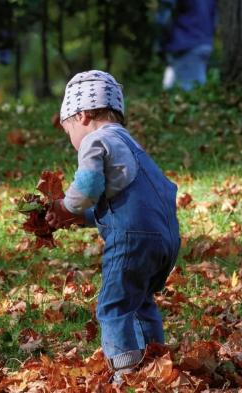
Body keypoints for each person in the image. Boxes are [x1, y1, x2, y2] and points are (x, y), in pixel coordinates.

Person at [46, 71, 180, 385]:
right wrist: (82, 218)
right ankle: (154, 361)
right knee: (140, 301)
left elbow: (89, 185)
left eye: (69, 131)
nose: (72, 141)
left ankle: (125, 372)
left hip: (132, 240)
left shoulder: (95, 139)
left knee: (114, 305)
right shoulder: (129, 143)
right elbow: (125, 200)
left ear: (82, 115)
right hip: (165, 238)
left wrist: (66, 206)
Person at [156, 0, 217, 91]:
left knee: (189, 91)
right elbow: (214, 18)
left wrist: (161, 43)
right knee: (191, 87)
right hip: (204, 43)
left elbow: (165, 16)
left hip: (185, 44)